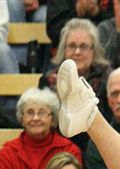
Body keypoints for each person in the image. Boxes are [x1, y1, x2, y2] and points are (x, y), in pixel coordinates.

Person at [0, 87, 82, 169]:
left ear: (53, 118)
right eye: (30, 112)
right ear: (21, 118)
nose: (35, 118)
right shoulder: (7, 154)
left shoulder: (69, 150)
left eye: (42, 113)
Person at [38, 17, 112, 156]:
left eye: (84, 47)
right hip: (57, 150)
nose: (77, 52)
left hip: (97, 149)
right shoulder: (48, 80)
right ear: (64, 49)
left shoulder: (107, 79)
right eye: (72, 46)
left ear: (94, 50)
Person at [46, 0, 113, 47]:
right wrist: (77, 14)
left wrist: (97, 13)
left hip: (106, 51)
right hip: (68, 55)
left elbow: (116, 27)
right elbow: (54, 32)